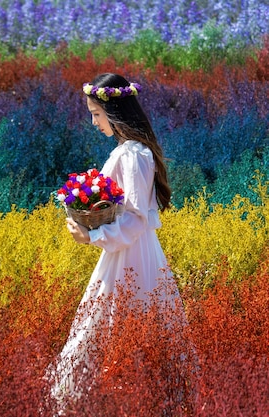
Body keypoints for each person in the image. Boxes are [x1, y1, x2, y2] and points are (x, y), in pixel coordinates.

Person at [48, 73, 188, 410]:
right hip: (131, 251)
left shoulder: (133, 155)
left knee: (114, 322)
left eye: (96, 114)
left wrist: (93, 234)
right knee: (117, 323)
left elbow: (136, 218)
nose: (94, 122)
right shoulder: (129, 151)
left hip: (131, 254)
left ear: (115, 112)